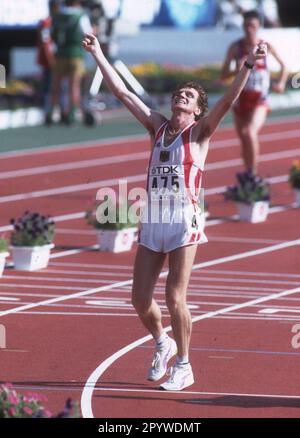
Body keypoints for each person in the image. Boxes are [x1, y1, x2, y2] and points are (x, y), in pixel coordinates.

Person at [82, 33, 267, 390]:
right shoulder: (156, 127)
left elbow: (228, 100)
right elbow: (122, 93)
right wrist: (99, 54)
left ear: (197, 108)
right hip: (154, 220)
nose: (181, 96)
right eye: (179, 93)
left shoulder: (199, 134)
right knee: (139, 299)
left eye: (190, 95)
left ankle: (184, 365)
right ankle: (162, 342)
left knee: (174, 295)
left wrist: (248, 64)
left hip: (184, 219)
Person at [219, 10, 287, 174]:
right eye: (247, 25)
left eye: (253, 26)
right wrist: (238, 69)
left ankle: (253, 175)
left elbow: (283, 67)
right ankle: (248, 172)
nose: (249, 29)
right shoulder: (236, 48)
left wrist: (281, 83)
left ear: (258, 27)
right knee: (243, 138)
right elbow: (223, 75)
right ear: (243, 26)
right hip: (240, 99)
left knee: (250, 132)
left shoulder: (266, 46)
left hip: (260, 99)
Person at [48, 0, 93, 124]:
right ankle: (72, 115)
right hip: (75, 54)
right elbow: (88, 33)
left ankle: (51, 113)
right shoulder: (80, 16)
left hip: (60, 54)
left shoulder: (57, 15)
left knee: (56, 85)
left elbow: (52, 34)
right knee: (74, 86)